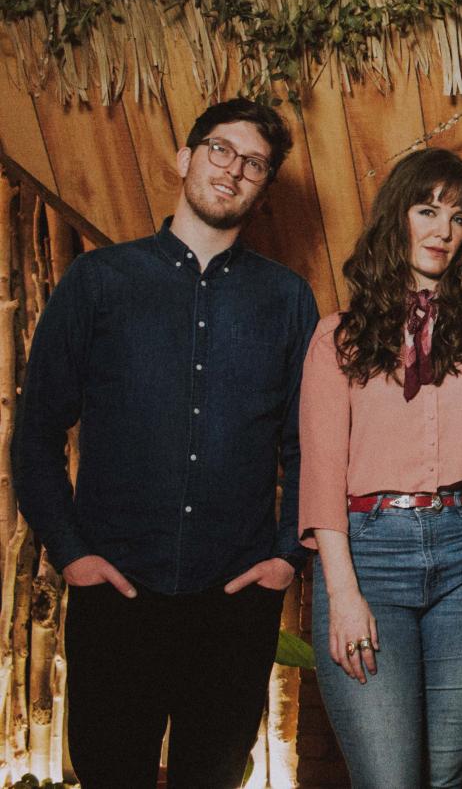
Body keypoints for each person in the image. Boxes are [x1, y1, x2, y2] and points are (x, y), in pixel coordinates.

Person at [12, 98, 318, 788]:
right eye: (220, 149)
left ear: (263, 186)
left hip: (235, 598)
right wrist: (73, 552)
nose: (233, 169)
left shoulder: (288, 299)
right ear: (184, 158)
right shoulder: (100, 281)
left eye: (254, 162)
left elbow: (308, 444)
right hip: (116, 590)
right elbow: (35, 433)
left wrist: (283, 558)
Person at [297, 148, 462, 786]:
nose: (442, 231)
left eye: (458, 218)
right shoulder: (338, 337)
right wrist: (343, 596)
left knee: (445, 775)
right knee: (389, 779)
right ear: (395, 219)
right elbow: (321, 477)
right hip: (367, 559)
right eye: (427, 211)